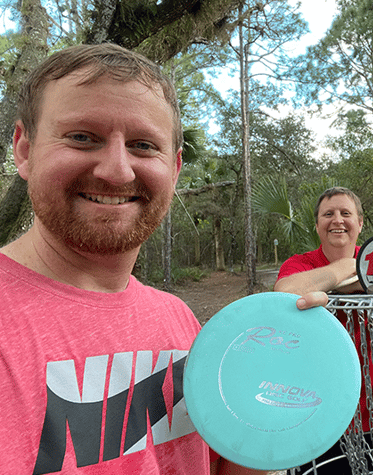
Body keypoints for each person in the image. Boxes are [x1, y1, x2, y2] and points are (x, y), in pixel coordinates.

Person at [0, 43, 262, 475]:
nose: (117, 171)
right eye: (82, 137)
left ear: (175, 168)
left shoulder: (179, 320)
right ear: (25, 150)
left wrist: (276, 410)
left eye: (143, 145)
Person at [273, 186, 373, 473]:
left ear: (360, 223)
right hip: (316, 414)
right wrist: (348, 270)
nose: (337, 220)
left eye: (345, 213)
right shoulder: (301, 264)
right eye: (328, 214)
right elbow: (286, 289)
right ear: (317, 225)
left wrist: (359, 278)